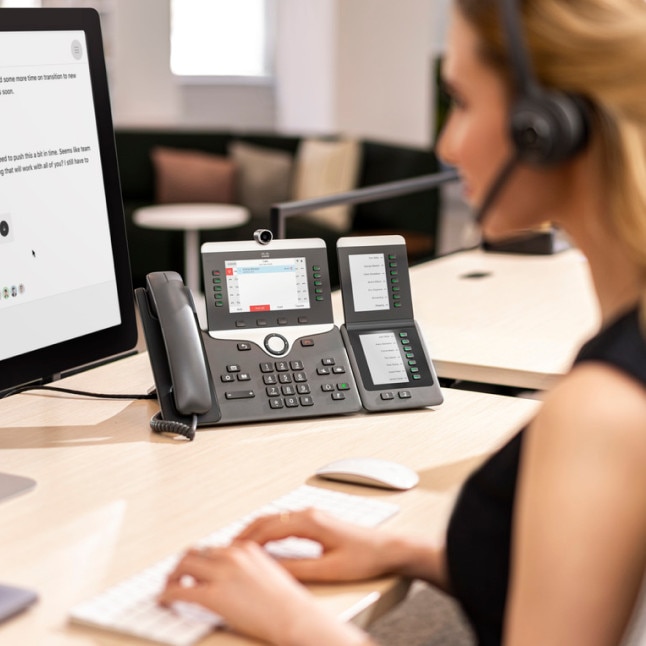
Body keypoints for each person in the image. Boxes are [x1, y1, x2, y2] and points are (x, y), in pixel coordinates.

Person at [159, 1, 646, 644]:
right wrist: (407, 555)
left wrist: (293, 622)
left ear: (547, 127)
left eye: (462, 101)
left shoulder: (605, 408)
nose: (446, 144)